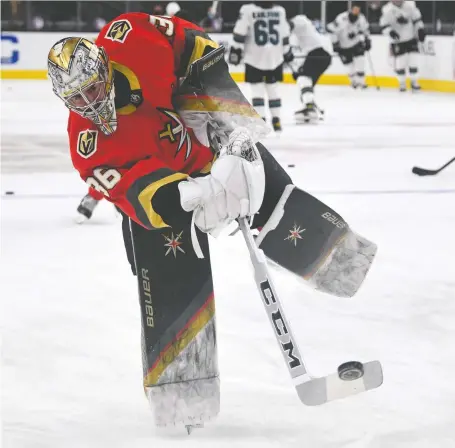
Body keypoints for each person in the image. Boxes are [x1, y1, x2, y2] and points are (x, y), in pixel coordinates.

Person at [47, 11, 377, 431]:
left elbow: (194, 46)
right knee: (169, 272)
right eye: (76, 99)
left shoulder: (130, 35)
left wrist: (227, 122)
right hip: (171, 192)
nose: (89, 103)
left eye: (92, 88)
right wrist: (195, 195)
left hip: (204, 133)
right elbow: (135, 191)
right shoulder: (87, 143)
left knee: (266, 189)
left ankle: (342, 262)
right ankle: (183, 397)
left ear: (106, 67)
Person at [228, 2, 291, 132]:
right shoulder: (280, 11)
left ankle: (261, 120)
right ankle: (276, 119)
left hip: (254, 57)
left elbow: (239, 33)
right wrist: (287, 52)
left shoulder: (247, 10)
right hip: (275, 57)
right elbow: (285, 36)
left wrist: (235, 51)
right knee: (273, 88)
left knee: (257, 90)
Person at [288, 14, 332, 122]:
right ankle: (309, 106)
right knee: (306, 84)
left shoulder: (300, 19)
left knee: (304, 79)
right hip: (321, 55)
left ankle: (310, 108)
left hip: (318, 53)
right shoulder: (300, 33)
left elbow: (288, 26)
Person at [380, 0, 425, 92]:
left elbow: (417, 19)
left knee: (413, 61)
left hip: (411, 37)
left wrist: (420, 29)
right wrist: (390, 32)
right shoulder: (387, 9)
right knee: (401, 63)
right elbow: (383, 25)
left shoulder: (410, 5)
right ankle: (402, 83)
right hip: (398, 41)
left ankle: (414, 82)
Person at [326, 2, 371, 89]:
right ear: (350, 9)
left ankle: (361, 82)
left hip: (356, 43)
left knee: (360, 61)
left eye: (358, 10)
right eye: (354, 9)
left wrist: (368, 40)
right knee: (349, 66)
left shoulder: (361, 18)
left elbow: (366, 29)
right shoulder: (341, 18)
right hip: (343, 46)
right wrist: (335, 43)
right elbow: (330, 29)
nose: (356, 12)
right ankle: (353, 81)